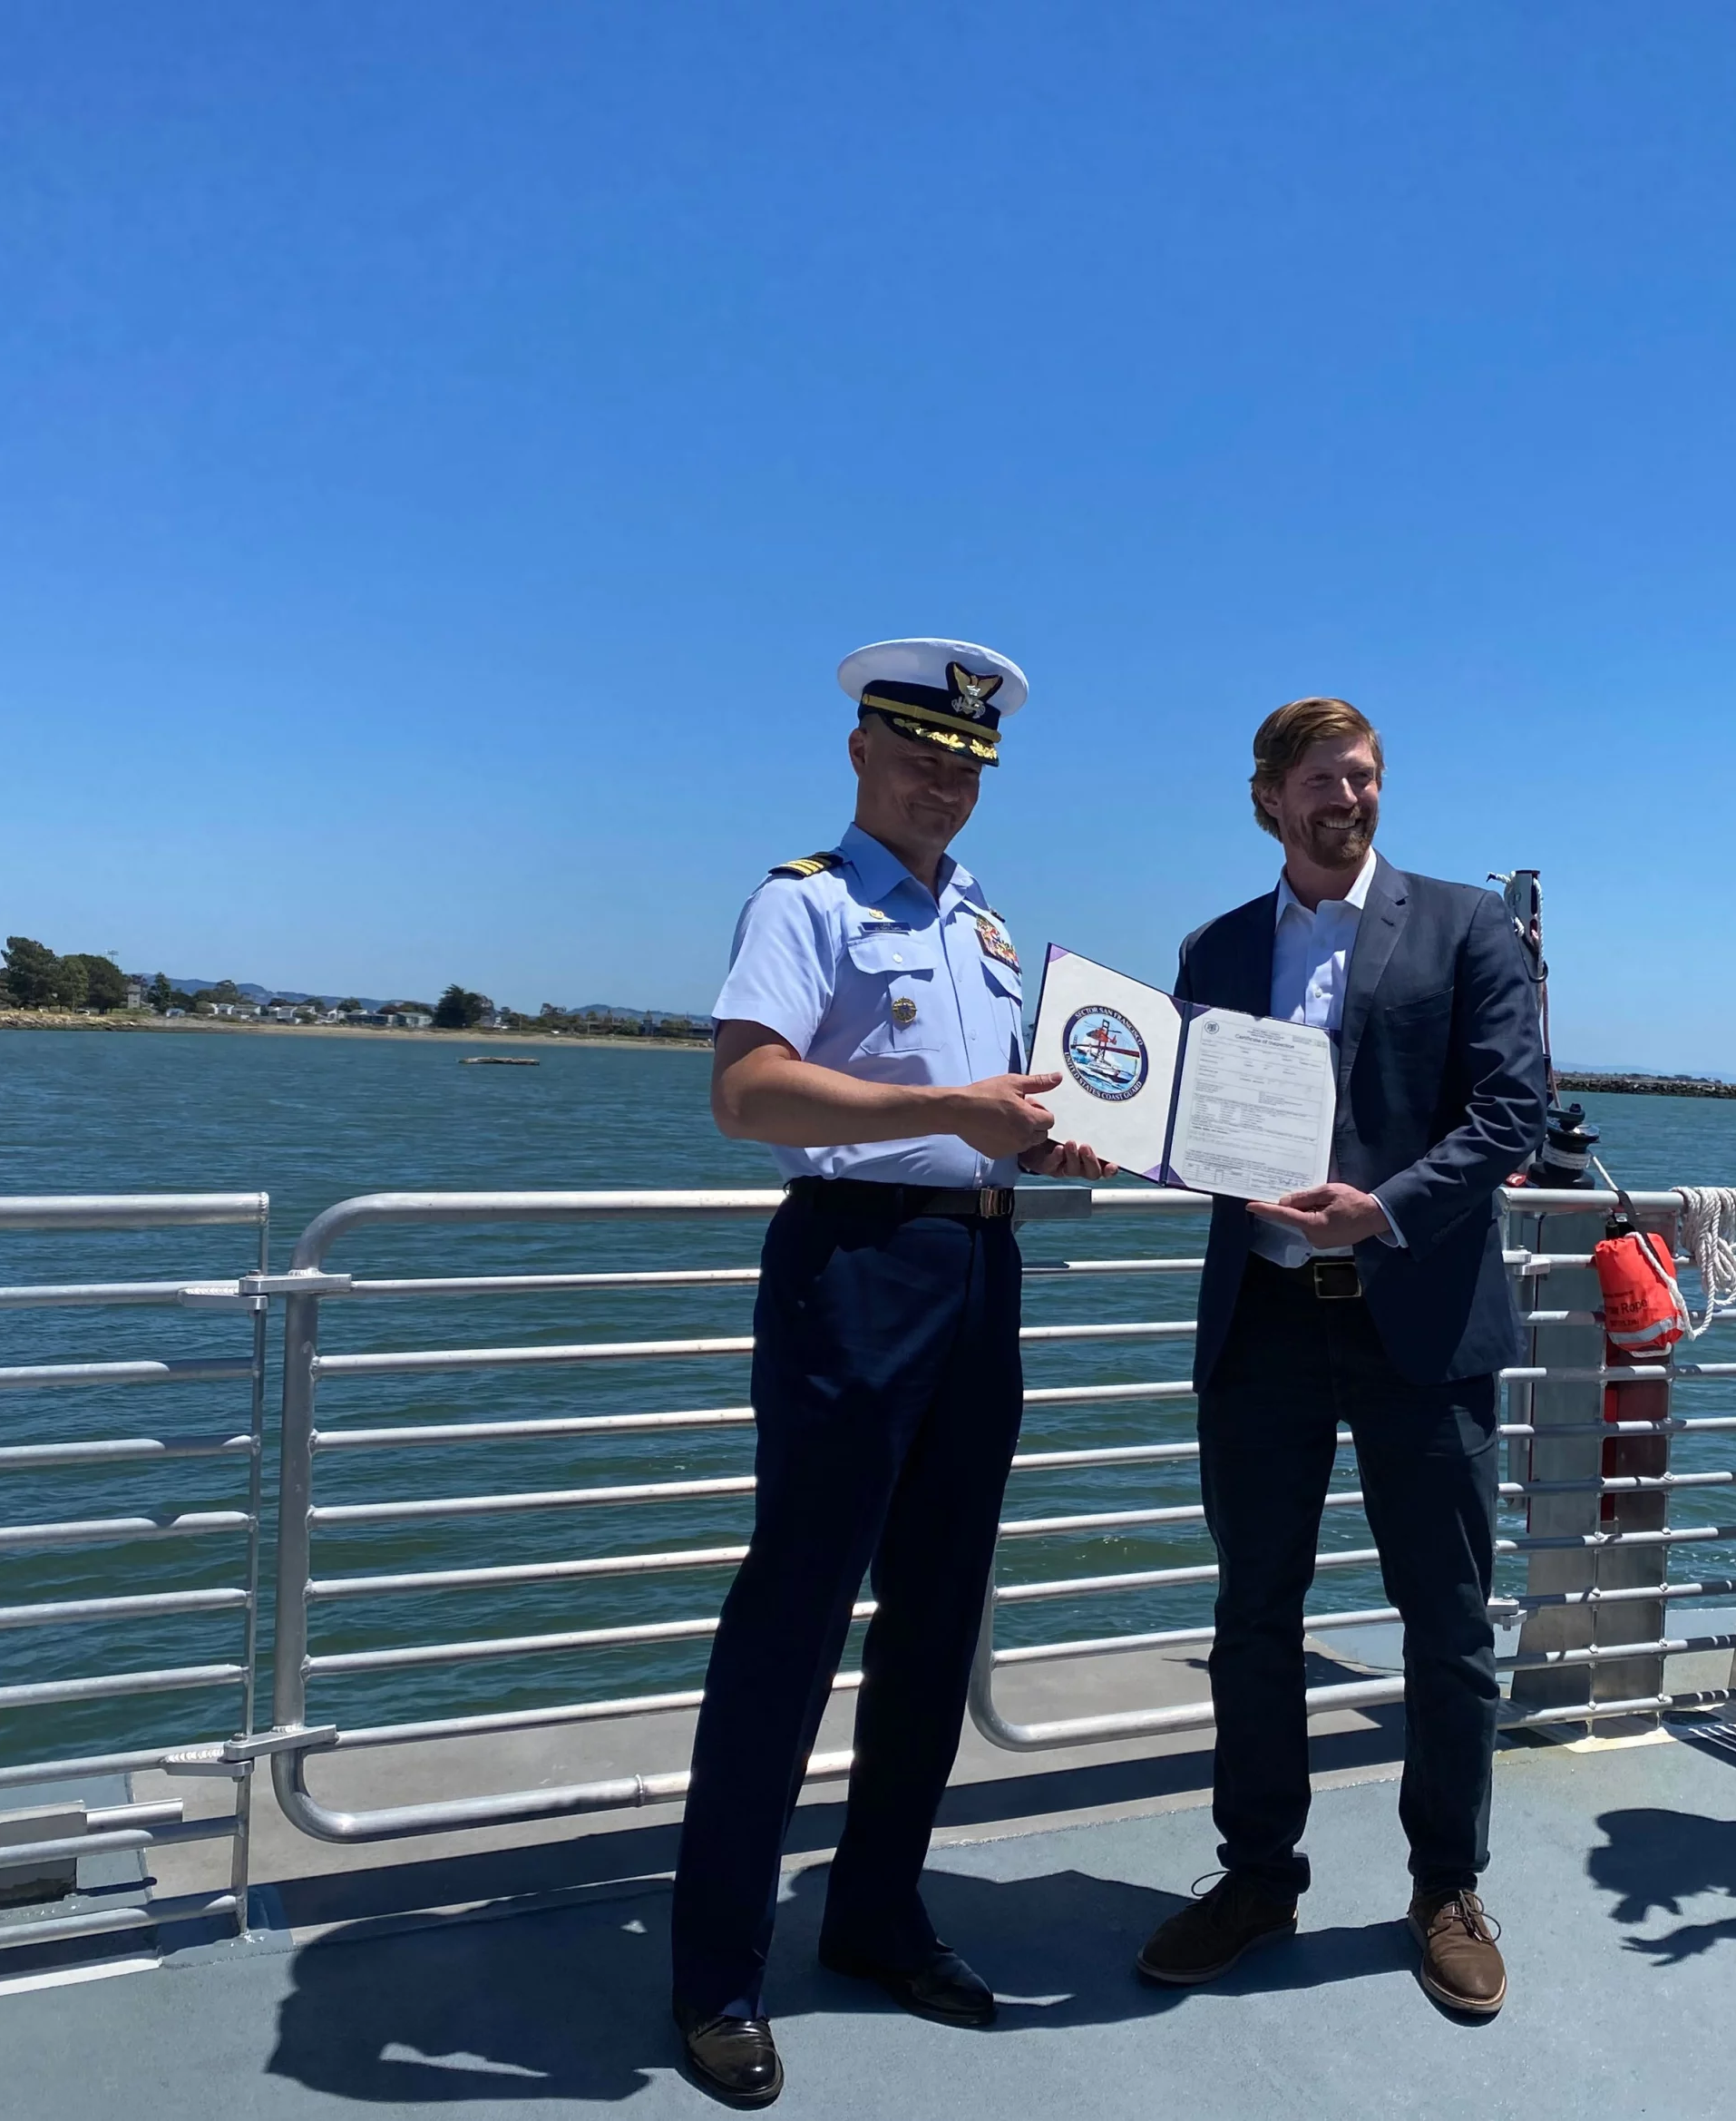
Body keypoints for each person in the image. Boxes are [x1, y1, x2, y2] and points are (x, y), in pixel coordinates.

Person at [668, 638, 1112, 2108]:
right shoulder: (805, 900)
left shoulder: (987, 930)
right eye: (923, 748)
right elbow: (745, 1090)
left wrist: (1050, 1140)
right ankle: (717, 1969)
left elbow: (991, 1117)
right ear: (860, 747)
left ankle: (874, 1910)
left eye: (971, 758)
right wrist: (948, 1110)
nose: (948, 777)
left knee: (936, 1620)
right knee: (792, 1620)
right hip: (853, 1269)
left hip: (981, 1273)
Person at [1133, 696, 1546, 2017]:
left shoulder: (1470, 925)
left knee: (1448, 1622)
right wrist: (1116, 1127)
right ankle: (1257, 1874)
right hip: (1262, 1323)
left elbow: (1511, 1108)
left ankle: (1447, 1886)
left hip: (1415, 1317)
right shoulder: (1216, 946)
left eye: (1363, 776)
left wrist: (1388, 1207)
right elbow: (1183, 1122)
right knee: (1255, 1617)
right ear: (1267, 796)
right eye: (1320, 780)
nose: (1347, 799)